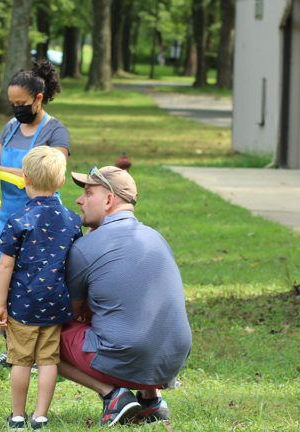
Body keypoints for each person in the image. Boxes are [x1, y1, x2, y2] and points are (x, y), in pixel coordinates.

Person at [59, 166, 192, 426]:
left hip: (129, 359)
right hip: (172, 361)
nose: (79, 200)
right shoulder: (156, 237)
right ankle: (151, 400)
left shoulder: (85, 248)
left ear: (109, 200)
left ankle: (112, 395)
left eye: (88, 193)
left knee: (42, 332)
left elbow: (69, 314)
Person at [0, 60, 71, 372]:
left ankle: (39, 355)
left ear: (38, 99)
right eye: (12, 103)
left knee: (37, 283)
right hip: (9, 215)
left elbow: (51, 170)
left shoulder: (55, 131)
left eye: (22, 103)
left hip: (43, 219)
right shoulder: (10, 127)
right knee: (7, 278)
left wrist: (2, 170)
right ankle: (13, 351)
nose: (17, 109)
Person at [0, 146, 83, 429]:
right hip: (56, 302)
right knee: (48, 360)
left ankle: (18, 415)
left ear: (25, 181)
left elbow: (5, 265)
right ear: (61, 182)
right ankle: (41, 415)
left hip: (22, 304)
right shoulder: (72, 220)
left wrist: (0, 304)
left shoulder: (18, 220)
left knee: (20, 360)